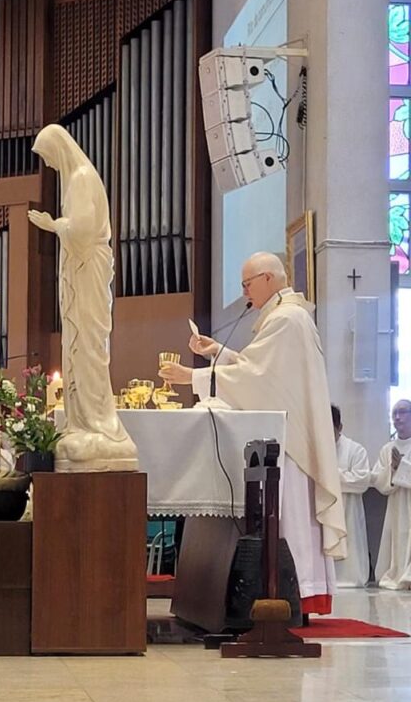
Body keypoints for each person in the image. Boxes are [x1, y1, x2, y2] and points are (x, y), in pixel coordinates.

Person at [159, 251, 346, 617]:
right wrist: (219, 352)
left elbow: (260, 379)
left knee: (292, 518)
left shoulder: (287, 319)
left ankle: (294, 595)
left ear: (268, 278)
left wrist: (193, 377)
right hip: (286, 434)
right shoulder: (284, 316)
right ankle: (294, 594)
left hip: (291, 443)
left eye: (247, 284)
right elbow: (260, 371)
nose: (245, 292)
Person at [29, 124, 137, 472]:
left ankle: (98, 424)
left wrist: (53, 225)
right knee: (78, 350)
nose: (49, 165)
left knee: (88, 347)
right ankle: (82, 423)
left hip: (89, 270)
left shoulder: (81, 178)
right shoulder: (77, 177)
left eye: (48, 157)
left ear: (58, 149)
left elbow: (83, 231)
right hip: (85, 269)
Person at [371, 399, 411, 590]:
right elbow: (378, 479)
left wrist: (401, 467)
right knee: (399, 539)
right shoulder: (387, 449)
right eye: (394, 413)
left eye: (402, 412)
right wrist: (393, 471)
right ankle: (400, 574)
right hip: (396, 505)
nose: (397, 417)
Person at [331, 405, 370, 587]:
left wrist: (332, 475)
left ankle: (351, 577)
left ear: (340, 427)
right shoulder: (315, 449)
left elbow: (362, 481)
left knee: (351, 544)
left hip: (349, 510)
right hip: (325, 509)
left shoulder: (355, 450)